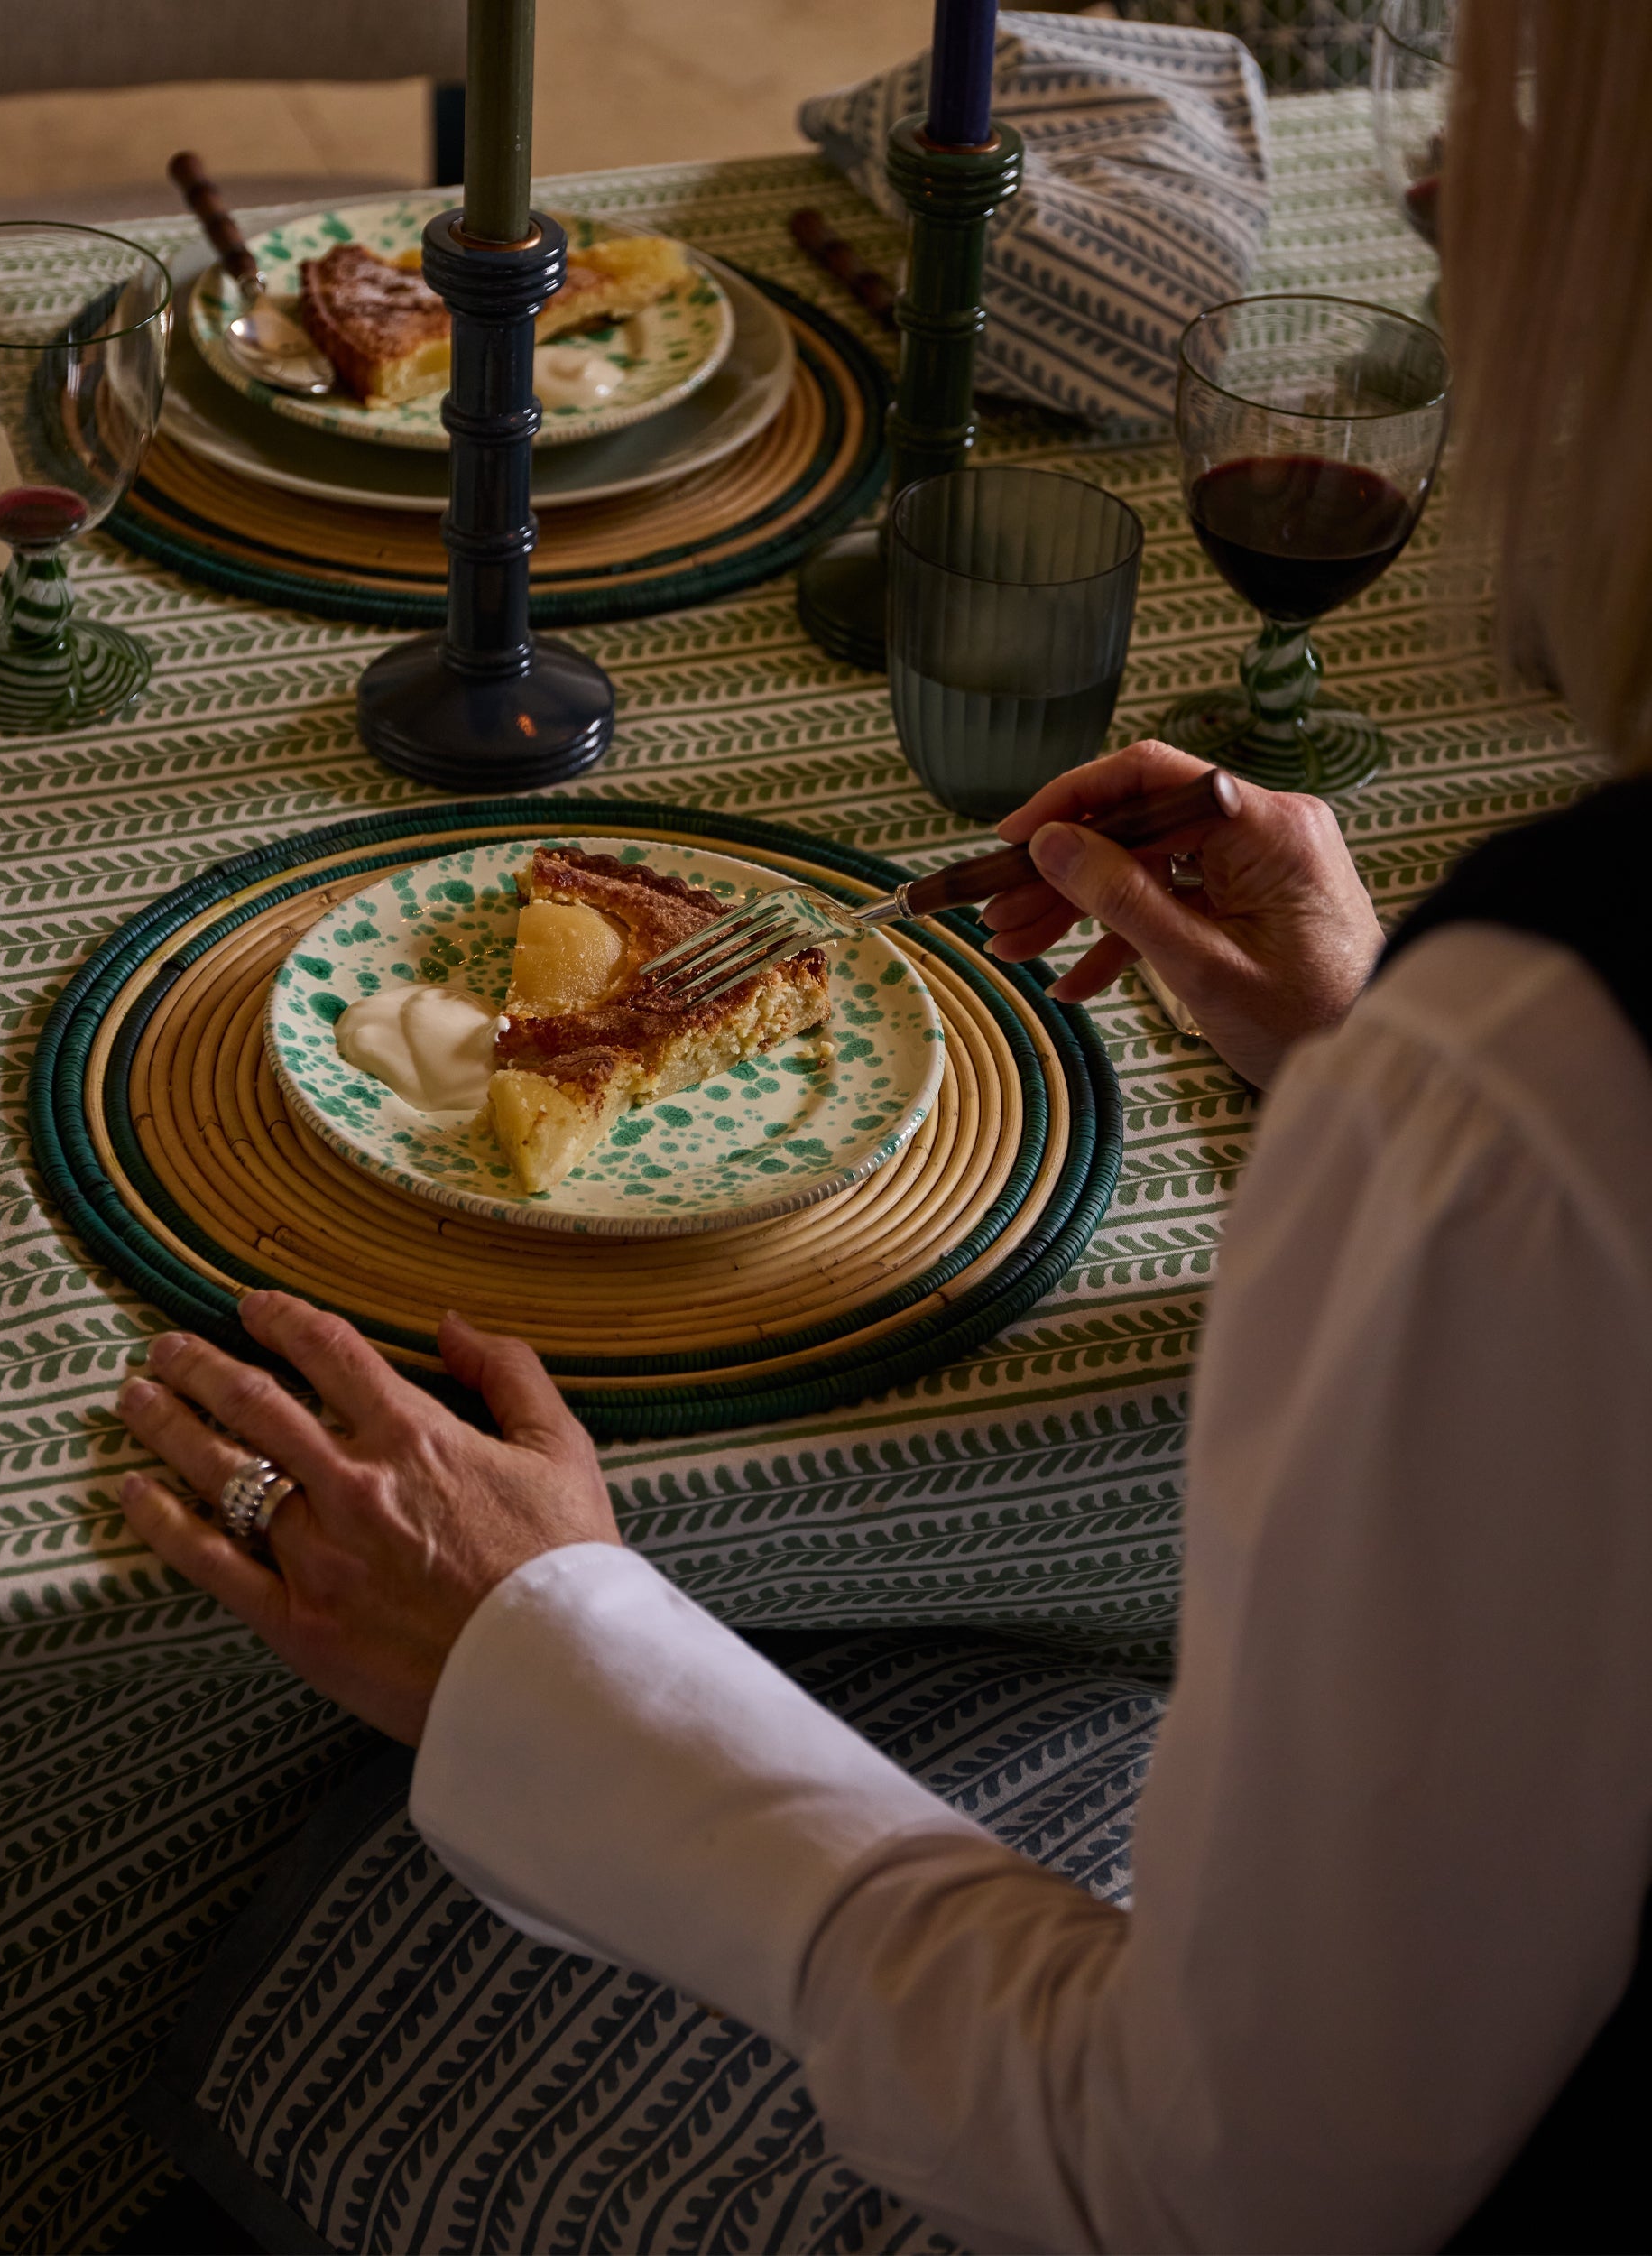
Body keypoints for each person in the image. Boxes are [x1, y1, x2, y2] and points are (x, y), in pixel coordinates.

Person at [114, 5, 1652, 2248]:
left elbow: (1216, 2176)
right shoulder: (1527, 1075)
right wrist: (1388, 1067)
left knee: (250, 1872)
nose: (1426, 194)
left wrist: (548, 1652)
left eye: (1490, 137)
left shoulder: (1560, 1058)